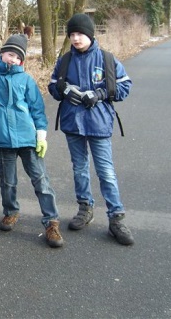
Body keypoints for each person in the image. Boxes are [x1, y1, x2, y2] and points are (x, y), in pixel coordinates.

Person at [0, 34, 64, 248]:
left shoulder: (26, 80)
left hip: (27, 137)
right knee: (7, 181)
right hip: (2, 138)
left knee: (40, 180)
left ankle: (51, 221)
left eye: (17, 57)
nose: (12, 60)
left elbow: (37, 108)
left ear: (21, 61)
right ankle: (11, 212)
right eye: (10, 54)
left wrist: (41, 133)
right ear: (2, 54)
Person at [48, 13, 135, 246]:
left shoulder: (107, 59)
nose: (76, 39)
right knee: (79, 169)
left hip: (99, 124)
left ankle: (116, 218)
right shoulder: (64, 60)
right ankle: (85, 208)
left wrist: (100, 94)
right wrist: (64, 90)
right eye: (72, 34)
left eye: (80, 34)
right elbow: (52, 85)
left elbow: (125, 86)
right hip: (72, 124)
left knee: (106, 172)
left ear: (90, 34)